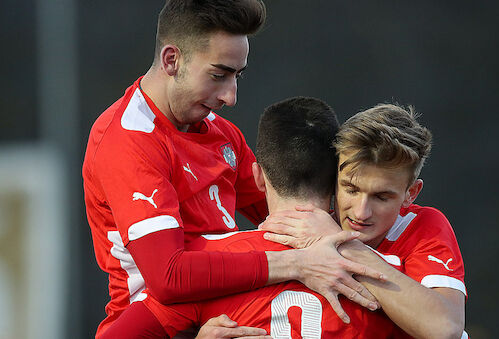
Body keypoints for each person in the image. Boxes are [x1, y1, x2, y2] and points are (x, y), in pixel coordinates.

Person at [82, 1, 382, 337]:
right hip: (160, 326)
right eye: (219, 74)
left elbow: (291, 214)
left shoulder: (223, 134)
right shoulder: (128, 140)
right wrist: (298, 264)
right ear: (171, 60)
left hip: (230, 309)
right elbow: (168, 277)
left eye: (237, 76)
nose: (231, 96)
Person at [101, 96, 400, 338]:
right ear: (338, 177)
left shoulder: (206, 269)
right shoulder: (391, 267)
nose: (229, 94)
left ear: (256, 176)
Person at [261, 103, 469, 338]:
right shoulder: (303, 225)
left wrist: (344, 245)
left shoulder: (423, 225)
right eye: (350, 189)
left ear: (411, 193)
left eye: (381, 197)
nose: (361, 213)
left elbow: (445, 329)